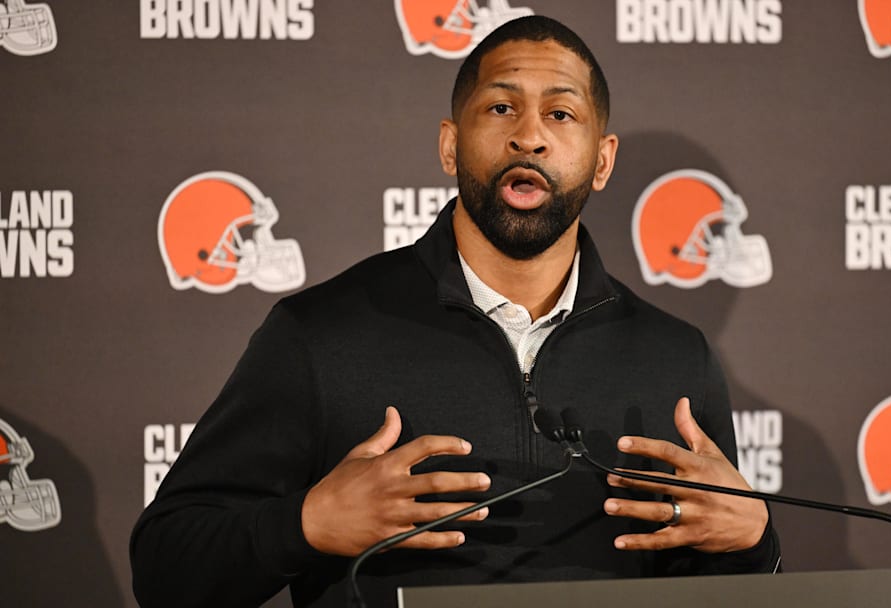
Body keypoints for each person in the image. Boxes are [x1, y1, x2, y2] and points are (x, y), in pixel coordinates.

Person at [130, 15, 781, 608]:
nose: (529, 136)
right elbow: (165, 570)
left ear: (602, 160)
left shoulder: (675, 359)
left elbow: (737, 589)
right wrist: (305, 524)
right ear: (449, 146)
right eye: (501, 107)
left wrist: (754, 541)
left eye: (561, 115)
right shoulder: (321, 337)